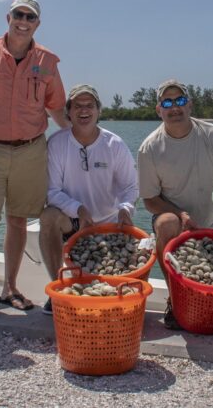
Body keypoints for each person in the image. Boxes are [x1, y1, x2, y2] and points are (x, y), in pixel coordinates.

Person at [0, 0, 69, 317]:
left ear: (37, 23)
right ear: (8, 17)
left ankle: (10, 287)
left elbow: (57, 108)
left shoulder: (48, 62)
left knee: (18, 221)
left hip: (31, 150)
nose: (23, 21)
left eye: (31, 17)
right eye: (19, 14)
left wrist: (86, 143)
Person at [138, 79, 213, 330]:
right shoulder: (149, 148)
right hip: (175, 222)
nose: (174, 107)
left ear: (190, 105)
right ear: (159, 110)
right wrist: (180, 215)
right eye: (167, 102)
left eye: (180, 101)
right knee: (166, 222)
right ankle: (175, 300)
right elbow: (149, 199)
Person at [39, 84, 138, 314]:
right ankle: (58, 287)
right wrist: (79, 210)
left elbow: (130, 186)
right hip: (74, 222)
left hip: (110, 224)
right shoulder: (57, 143)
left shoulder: (115, 144)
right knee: (48, 217)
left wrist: (125, 208)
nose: (84, 111)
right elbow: (51, 192)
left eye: (89, 106)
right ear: (69, 112)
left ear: (99, 110)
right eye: (78, 106)